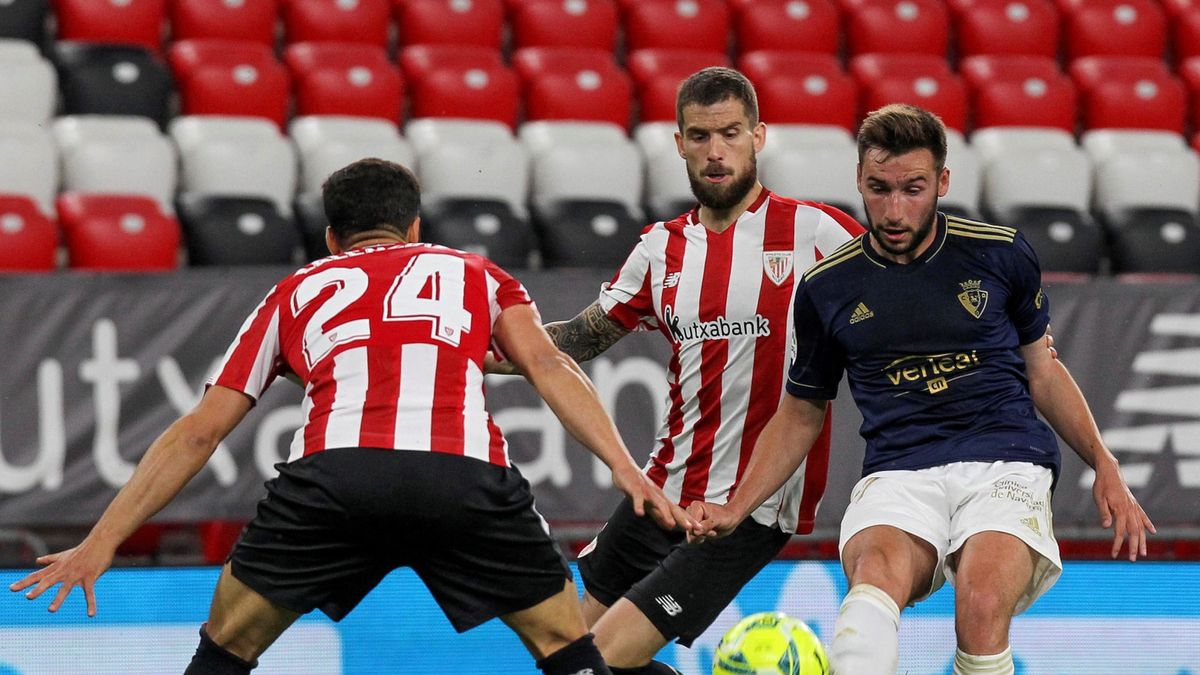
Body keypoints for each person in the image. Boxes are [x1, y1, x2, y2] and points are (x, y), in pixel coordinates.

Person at [8, 158, 693, 675]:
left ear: (333, 236)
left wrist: (102, 542)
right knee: (567, 642)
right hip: (464, 478)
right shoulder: (475, 273)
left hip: (334, 480)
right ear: (416, 227)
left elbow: (199, 430)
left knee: (226, 644)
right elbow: (548, 365)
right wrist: (624, 467)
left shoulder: (296, 289)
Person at [686, 104, 1157, 675]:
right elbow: (801, 412)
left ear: (942, 182)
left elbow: (1044, 372)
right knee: (867, 598)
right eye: (879, 189)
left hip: (1005, 460)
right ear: (859, 179)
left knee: (980, 606)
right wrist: (737, 507)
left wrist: (1103, 462)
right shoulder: (826, 288)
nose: (893, 209)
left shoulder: (999, 253)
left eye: (913, 189)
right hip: (900, 470)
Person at [489, 67, 863, 674]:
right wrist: (467, 349)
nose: (715, 153)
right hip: (662, 493)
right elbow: (576, 339)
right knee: (565, 657)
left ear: (759, 136)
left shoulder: (815, 232)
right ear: (678, 142)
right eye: (699, 137)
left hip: (748, 507)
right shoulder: (660, 248)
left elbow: (895, 297)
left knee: (600, 660)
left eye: (731, 134)